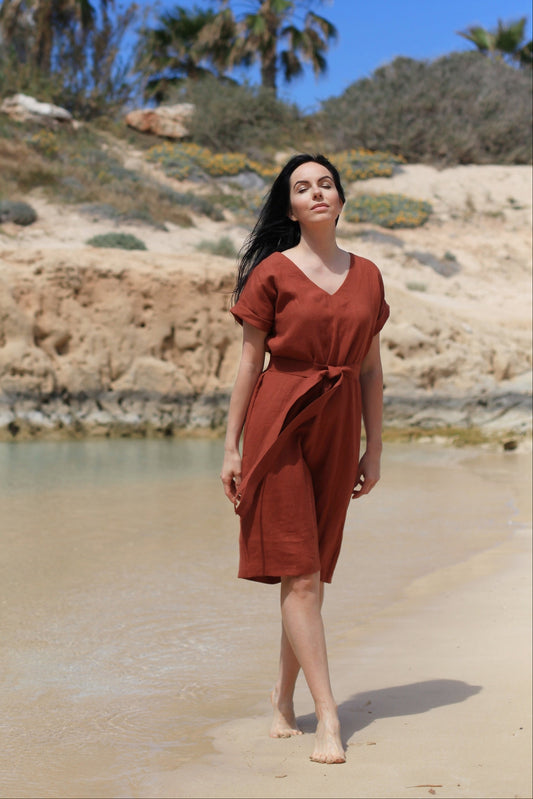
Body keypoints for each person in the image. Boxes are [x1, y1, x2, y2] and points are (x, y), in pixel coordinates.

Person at [220, 153, 390, 764]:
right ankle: (329, 718)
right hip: (280, 420)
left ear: (340, 199)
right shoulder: (271, 272)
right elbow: (248, 363)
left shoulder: (368, 276)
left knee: (309, 574)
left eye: (325, 184)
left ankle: (281, 698)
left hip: (341, 425)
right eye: (302, 187)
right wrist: (231, 446)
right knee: (302, 572)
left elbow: (371, 369)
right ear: (289, 205)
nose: (316, 193)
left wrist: (375, 446)